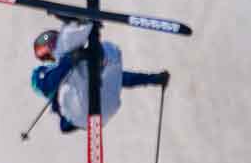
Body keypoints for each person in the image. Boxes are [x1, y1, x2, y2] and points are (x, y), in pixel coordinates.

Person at [31, 23, 169, 134]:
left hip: (103, 106)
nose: (54, 45)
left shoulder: (78, 63)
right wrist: (71, 59)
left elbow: (118, 77)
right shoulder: (41, 72)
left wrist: (152, 79)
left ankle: (91, 34)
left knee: (108, 52)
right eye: (50, 44)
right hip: (75, 109)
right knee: (77, 69)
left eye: (55, 40)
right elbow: (48, 84)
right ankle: (88, 27)